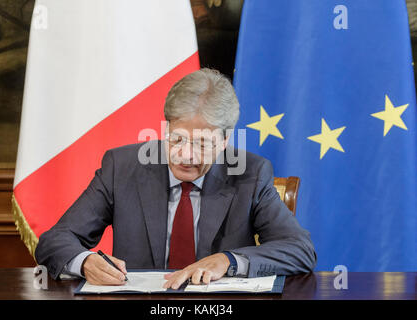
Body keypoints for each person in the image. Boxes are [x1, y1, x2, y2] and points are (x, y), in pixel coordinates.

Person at [35, 68, 316, 289]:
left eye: (202, 144)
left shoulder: (249, 174)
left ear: (225, 140)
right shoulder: (122, 167)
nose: (186, 155)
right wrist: (85, 262)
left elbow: (300, 250)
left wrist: (228, 261)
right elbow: (55, 240)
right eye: (177, 139)